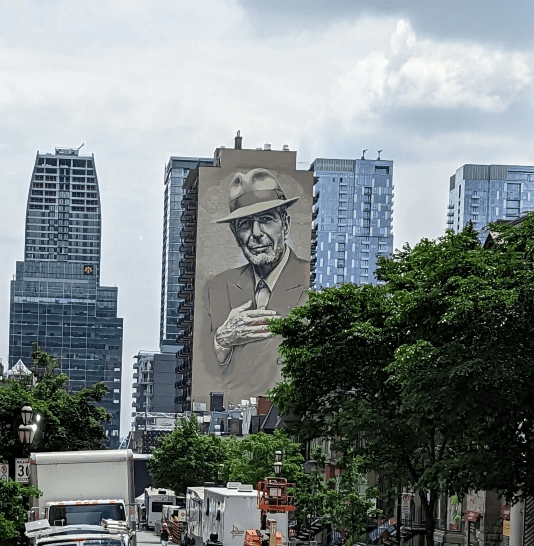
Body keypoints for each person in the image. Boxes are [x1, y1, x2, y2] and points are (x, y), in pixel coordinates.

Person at [200, 167, 310, 402]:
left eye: (266, 219)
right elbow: (204, 371)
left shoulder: (313, 282)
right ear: (235, 234)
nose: (256, 233)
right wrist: (222, 340)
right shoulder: (216, 288)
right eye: (245, 224)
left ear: (285, 225)